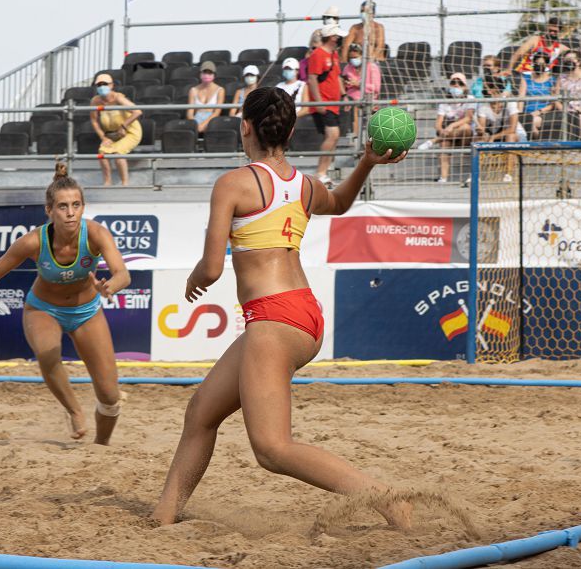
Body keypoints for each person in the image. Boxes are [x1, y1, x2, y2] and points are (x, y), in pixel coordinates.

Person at [151, 87, 409, 527]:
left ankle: (385, 498)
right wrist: (366, 161)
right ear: (290, 131)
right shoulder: (305, 186)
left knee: (272, 449)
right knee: (202, 411)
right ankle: (165, 514)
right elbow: (341, 202)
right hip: (302, 314)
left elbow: (212, 268)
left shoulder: (233, 183)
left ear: (245, 126)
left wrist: (195, 277)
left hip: (273, 317)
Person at [0, 163, 129, 445]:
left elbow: (123, 273)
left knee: (110, 396)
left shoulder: (96, 233)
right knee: (48, 354)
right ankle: (73, 410)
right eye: (62, 206)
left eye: (76, 205)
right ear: (49, 210)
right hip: (43, 309)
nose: (70, 212)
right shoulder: (33, 241)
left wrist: (109, 285)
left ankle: (101, 446)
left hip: (86, 312)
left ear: (84, 207)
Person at [305, 23, 346, 186]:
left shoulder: (334, 55)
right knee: (333, 135)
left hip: (333, 102)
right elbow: (312, 78)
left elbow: (336, 77)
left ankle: (324, 171)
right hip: (325, 102)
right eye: (337, 36)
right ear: (332, 37)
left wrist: (344, 95)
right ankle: (320, 172)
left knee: (334, 137)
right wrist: (319, 100)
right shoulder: (318, 54)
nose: (340, 39)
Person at [417, 73, 475, 183]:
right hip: (449, 136)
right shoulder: (444, 102)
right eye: (453, 83)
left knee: (465, 127)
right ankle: (443, 178)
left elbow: (468, 118)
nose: (456, 85)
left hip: (466, 137)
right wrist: (441, 130)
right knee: (445, 143)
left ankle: (433, 141)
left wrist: (451, 126)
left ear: (465, 86)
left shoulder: (470, 98)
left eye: (460, 83)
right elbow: (438, 124)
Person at [89, 71, 142, 186]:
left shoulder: (118, 98)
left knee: (118, 153)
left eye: (105, 84)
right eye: (99, 85)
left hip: (130, 132)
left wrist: (124, 126)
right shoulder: (95, 101)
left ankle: (124, 183)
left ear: (112, 85)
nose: (102, 87)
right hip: (113, 134)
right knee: (102, 152)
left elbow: (137, 111)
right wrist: (103, 137)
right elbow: (94, 120)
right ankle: (107, 182)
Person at [474, 73, 523, 181]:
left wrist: (493, 137)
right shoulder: (483, 104)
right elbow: (482, 127)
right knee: (477, 139)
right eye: (484, 88)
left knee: (510, 137)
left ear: (496, 88)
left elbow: (512, 128)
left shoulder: (509, 102)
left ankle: (508, 174)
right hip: (494, 133)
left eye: (487, 88)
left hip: (515, 135)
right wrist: (480, 131)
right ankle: (475, 175)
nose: (484, 91)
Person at [341, 43, 380, 134]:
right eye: (351, 58)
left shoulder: (372, 67)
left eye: (356, 57)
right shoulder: (347, 68)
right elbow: (343, 82)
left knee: (357, 105)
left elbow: (376, 88)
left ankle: (356, 135)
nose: (354, 60)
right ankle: (352, 136)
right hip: (351, 98)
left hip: (368, 98)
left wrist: (359, 84)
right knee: (349, 104)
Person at [518, 51, 558, 138]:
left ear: (546, 65)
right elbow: (521, 97)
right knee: (521, 121)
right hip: (527, 112)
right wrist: (520, 113)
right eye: (537, 63)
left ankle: (540, 142)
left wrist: (539, 111)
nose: (539, 66)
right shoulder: (526, 78)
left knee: (530, 122)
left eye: (542, 64)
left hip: (543, 112)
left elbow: (553, 103)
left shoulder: (551, 80)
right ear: (533, 63)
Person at [556, 50, 581, 138]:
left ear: (579, 62)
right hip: (565, 111)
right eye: (566, 60)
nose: (568, 61)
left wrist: (580, 110)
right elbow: (556, 99)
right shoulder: (561, 77)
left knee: (580, 121)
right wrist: (564, 110)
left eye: (571, 59)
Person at [187, 61, 225, 133]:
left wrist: (204, 124)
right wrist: (195, 124)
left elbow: (217, 112)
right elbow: (190, 113)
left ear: (214, 75)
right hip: (196, 119)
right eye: (204, 72)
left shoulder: (220, 90)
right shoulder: (193, 90)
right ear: (200, 74)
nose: (207, 75)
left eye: (210, 73)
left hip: (212, 120)